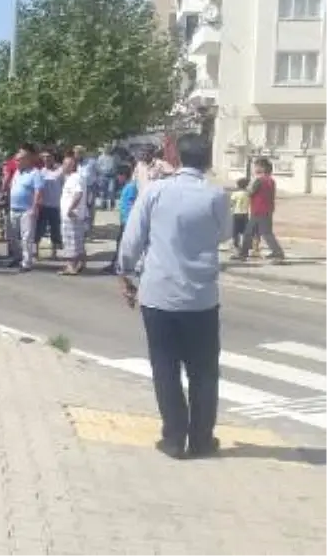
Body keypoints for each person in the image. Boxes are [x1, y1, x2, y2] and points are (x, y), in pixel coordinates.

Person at [118, 133, 230, 460]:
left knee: (165, 367)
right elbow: (224, 234)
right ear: (207, 160)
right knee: (204, 371)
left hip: (159, 295)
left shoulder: (156, 191)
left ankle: (173, 438)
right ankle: (201, 439)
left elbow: (132, 239)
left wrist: (125, 274)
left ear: (177, 158)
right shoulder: (216, 196)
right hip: (201, 298)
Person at [233, 158, 285, 264]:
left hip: (258, 209)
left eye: (256, 166)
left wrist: (245, 189)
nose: (254, 168)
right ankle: (244, 253)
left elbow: (251, 192)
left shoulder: (259, 180)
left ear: (262, 168)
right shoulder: (271, 180)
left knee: (265, 233)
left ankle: (278, 253)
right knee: (249, 232)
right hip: (267, 209)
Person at [6, 144, 44, 272]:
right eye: (16, 159)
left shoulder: (35, 173)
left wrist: (34, 208)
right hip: (14, 208)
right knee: (12, 236)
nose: (16, 161)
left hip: (27, 210)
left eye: (19, 159)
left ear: (27, 159)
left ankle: (26, 262)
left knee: (26, 237)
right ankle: (17, 257)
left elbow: (38, 192)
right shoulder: (17, 172)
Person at [100, 168, 136, 274]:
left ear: (124, 176)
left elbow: (132, 203)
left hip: (127, 220)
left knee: (121, 243)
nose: (118, 178)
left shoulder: (131, 187)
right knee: (119, 242)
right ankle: (116, 264)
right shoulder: (126, 187)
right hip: (124, 218)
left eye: (119, 176)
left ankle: (118, 266)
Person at [59, 152, 89, 276]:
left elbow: (78, 194)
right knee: (77, 241)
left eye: (66, 164)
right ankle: (81, 262)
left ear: (73, 165)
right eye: (63, 164)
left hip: (72, 216)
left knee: (71, 242)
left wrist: (70, 209)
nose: (63, 166)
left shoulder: (76, 178)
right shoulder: (71, 178)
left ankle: (71, 266)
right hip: (72, 216)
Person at [35, 150, 64, 260]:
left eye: (49, 157)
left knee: (55, 229)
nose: (46, 159)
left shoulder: (60, 171)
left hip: (55, 205)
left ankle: (54, 253)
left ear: (53, 158)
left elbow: (63, 185)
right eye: (45, 157)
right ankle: (36, 252)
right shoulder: (40, 172)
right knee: (39, 229)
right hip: (43, 205)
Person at [229, 178, 250, 251]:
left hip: (236, 213)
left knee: (235, 231)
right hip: (245, 214)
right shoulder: (248, 194)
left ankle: (236, 245)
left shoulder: (235, 194)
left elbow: (231, 203)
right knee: (244, 231)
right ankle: (244, 245)